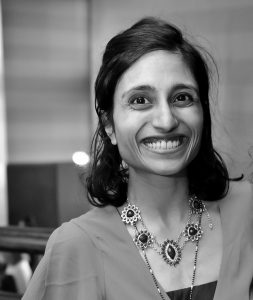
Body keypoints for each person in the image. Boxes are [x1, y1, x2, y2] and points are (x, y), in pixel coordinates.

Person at [22, 17, 253, 300]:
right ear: (109, 125)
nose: (166, 120)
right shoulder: (76, 246)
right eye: (140, 100)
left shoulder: (247, 212)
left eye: (182, 97)